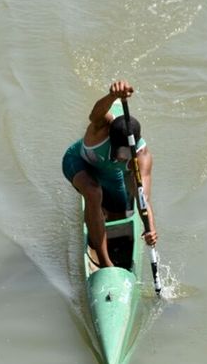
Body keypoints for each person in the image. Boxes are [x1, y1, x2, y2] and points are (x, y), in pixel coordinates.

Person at [62, 80, 158, 268]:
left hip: (110, 174)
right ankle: (105, 263)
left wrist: (150, 229)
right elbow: (95, 114)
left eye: (127, 154)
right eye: (120, 152)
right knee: (93, 193)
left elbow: (143, 198)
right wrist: (113, 95)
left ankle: (100, 216)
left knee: (118, 213)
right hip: (79, 163)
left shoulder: (142, 156)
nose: (123, 158)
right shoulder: (101, 127)